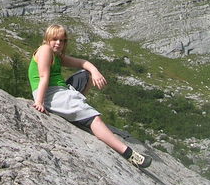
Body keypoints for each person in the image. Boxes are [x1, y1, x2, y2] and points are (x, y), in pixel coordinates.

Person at [28, 23, 152, 168]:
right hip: (51, 93)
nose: (58, 43)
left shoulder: (57, 56)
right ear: (47, 39)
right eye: (55, 39)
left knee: (86, 74)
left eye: (62, 40)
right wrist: (40, 102)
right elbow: (43, 77)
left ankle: (78, 112)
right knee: (95, 119)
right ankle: (130, 155)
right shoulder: (45, 50)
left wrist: (95, 72)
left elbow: (83, 62)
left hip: (61, 90)